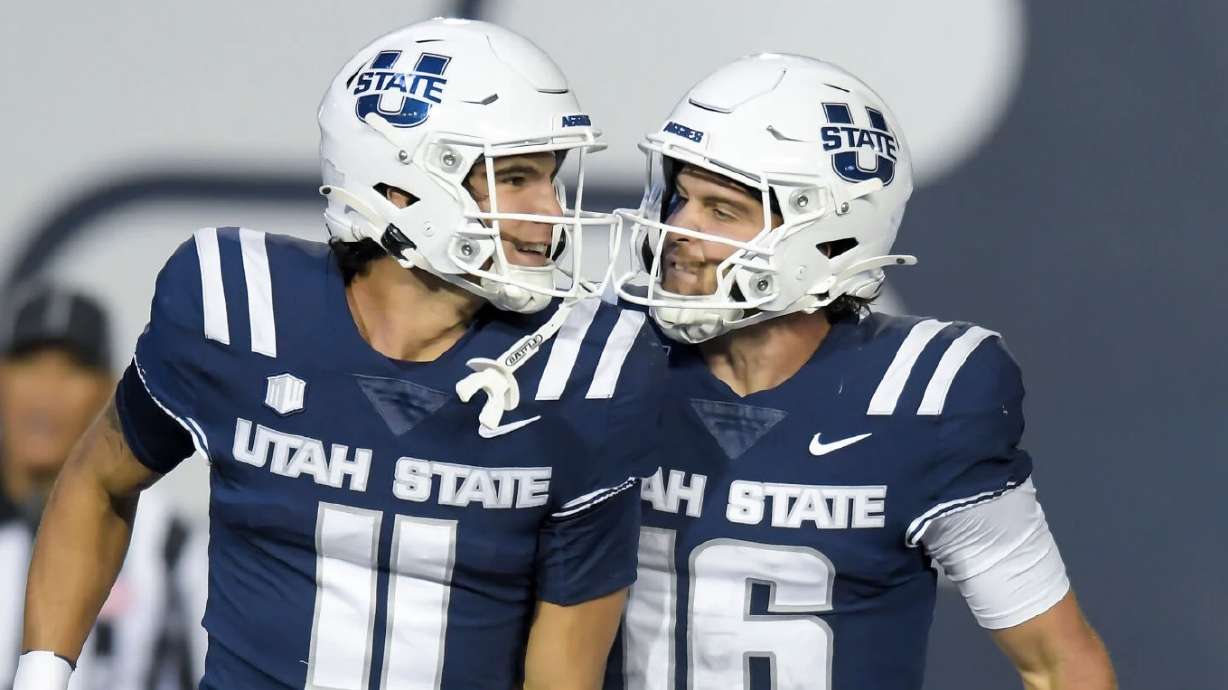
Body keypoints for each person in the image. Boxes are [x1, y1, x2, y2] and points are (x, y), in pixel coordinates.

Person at [17, 18, 664, 690]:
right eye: (519, 179)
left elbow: (565, 669)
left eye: (550, 180)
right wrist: (40, 676)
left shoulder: (587, 368)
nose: (551, 214)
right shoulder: (240, 308)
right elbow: (97, 481)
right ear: (402, 186)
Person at [604, 54, 1117, 690]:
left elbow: (1057, 662)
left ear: (829, 236)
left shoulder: (923, 397)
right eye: (680, 196)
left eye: (722, 210)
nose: (678, 228)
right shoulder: (603, 362)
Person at [0, 287, 202, 690]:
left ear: (109, 389)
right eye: (29, 365)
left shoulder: (170, 549)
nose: (47, 391)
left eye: (72, 369)